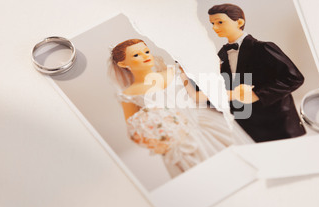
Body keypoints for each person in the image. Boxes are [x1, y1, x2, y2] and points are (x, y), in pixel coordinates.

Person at [108, 39, 253, 178]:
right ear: (122, 63)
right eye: (136, 55)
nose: (145, 56)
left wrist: (233, 93)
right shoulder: (128, 94)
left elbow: (195, 96)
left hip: (205, 122)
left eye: (146, 51)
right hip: (178, 139)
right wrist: (159, 138)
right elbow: (133, 129)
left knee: (240, 161)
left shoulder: (173, 71)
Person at [207, 3, 306, 142]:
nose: (214, 27)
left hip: (277, 122)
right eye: (212, 23)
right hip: (246, 127)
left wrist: (256, 95)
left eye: (220, 22)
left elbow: (293, 78)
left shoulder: (263, 48)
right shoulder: (221, 55)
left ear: (239, 22)